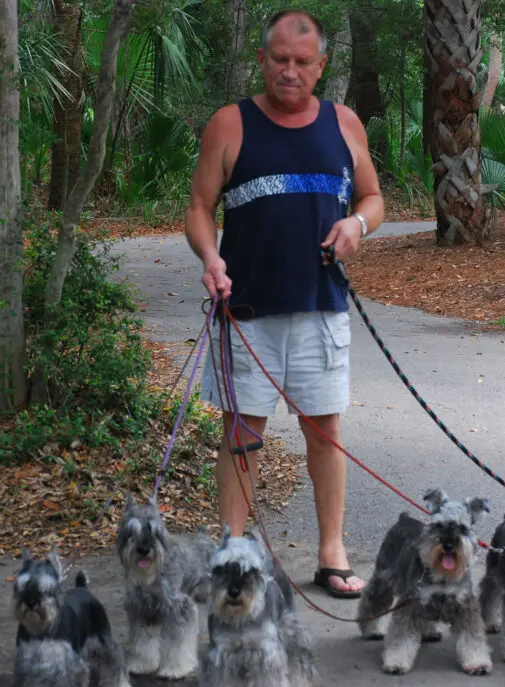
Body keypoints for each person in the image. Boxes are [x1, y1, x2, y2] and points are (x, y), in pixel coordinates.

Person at [184, 8, 383, 599]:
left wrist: (357, 226)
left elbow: (373, 197)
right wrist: (210, 258)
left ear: (321, 66)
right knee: (241, 431)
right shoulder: (230, 124)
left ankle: (331, 551)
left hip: (322, 306)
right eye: (279, 60)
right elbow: (199, 206)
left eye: (302, 62)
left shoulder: (345, 124)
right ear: (262, 59)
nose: (289, 72)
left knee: (324, 430)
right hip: (246, 310)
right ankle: (234, 551)